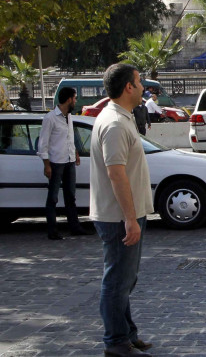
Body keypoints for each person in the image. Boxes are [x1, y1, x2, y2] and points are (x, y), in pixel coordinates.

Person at [90, 64, 154, 357]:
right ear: (128, 87)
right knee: (117, 281)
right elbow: (116, 173)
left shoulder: (121, 117)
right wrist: (130, 218)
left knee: (125, 279)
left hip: (125, 215)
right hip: (118, 217)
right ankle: (116, 342)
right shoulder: (115, 123)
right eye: (139, 82)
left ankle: (126, 334)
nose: (143, 88)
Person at [37, 87, 91, 240]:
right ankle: (52, 231)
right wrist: (46, 164)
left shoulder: (69, 116)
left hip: (69, 161)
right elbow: (43, 143)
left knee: (70, 196)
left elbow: (68, 138)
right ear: (68, 99)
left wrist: (74, 152)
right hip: (55, 162)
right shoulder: (50, 118)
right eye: (74, 98)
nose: (76, 101)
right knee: (53, 197)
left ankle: (74, 227)